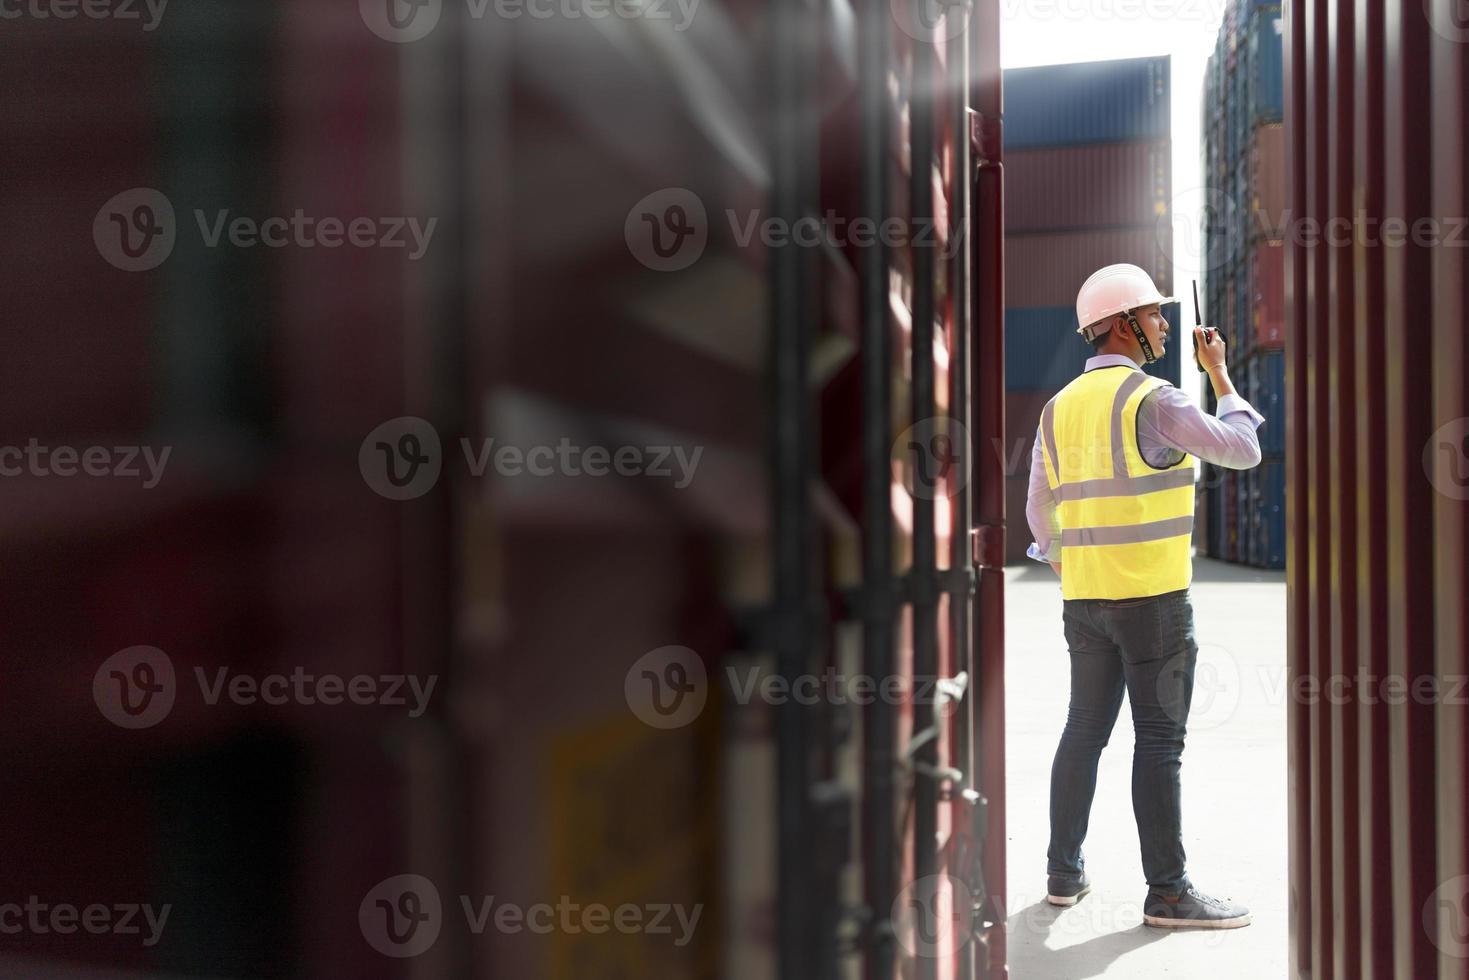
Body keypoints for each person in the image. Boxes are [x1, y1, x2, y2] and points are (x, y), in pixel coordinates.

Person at [1025, 263, 1263, 929]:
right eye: (1154, 314)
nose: (1164, 323)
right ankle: (1167, 893)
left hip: (1084, 602)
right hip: (1153, 605)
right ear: (1124, 324)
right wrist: (1219, 376)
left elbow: (1038, 510)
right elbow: (1242, 450)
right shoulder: (1156, 401)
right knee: (1158, 742)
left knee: (1082, 731)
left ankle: (1062, 874)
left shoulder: (1057, 407)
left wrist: (1073, 569)